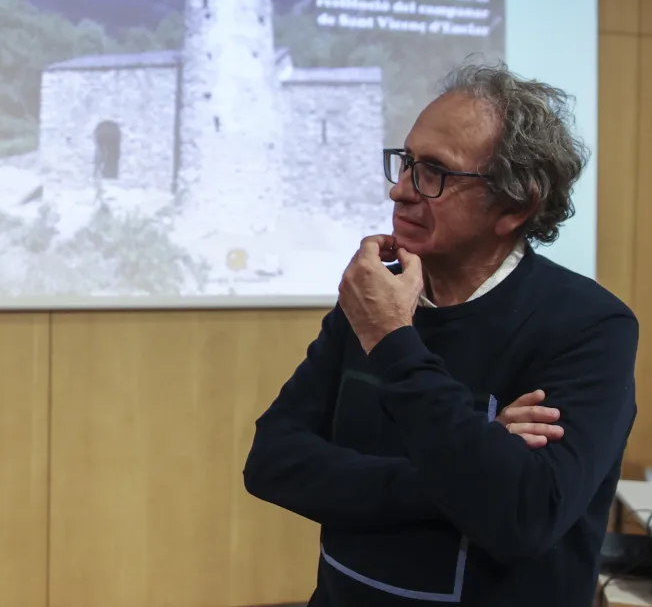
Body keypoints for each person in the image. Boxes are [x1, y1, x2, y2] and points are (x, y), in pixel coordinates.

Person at [243, 61, 637, 606]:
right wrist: (460, 476)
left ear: (515, 204)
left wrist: (392, 340)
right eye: (405, 163)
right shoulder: (374, 297)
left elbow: (522, 517)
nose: (399, 191)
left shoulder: (588, 326)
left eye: (434, 173)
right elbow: (272, 463)